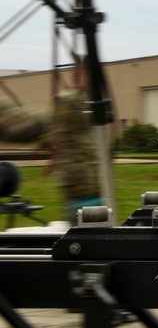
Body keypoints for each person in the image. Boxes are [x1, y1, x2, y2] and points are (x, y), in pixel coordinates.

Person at [45, 59, 103, 220]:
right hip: (78, 176)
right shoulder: (69, 101)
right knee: (82, 223)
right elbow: (54, 130)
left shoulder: (91, 101)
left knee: (98, 223)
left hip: (94, 176)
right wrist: (55, 156)